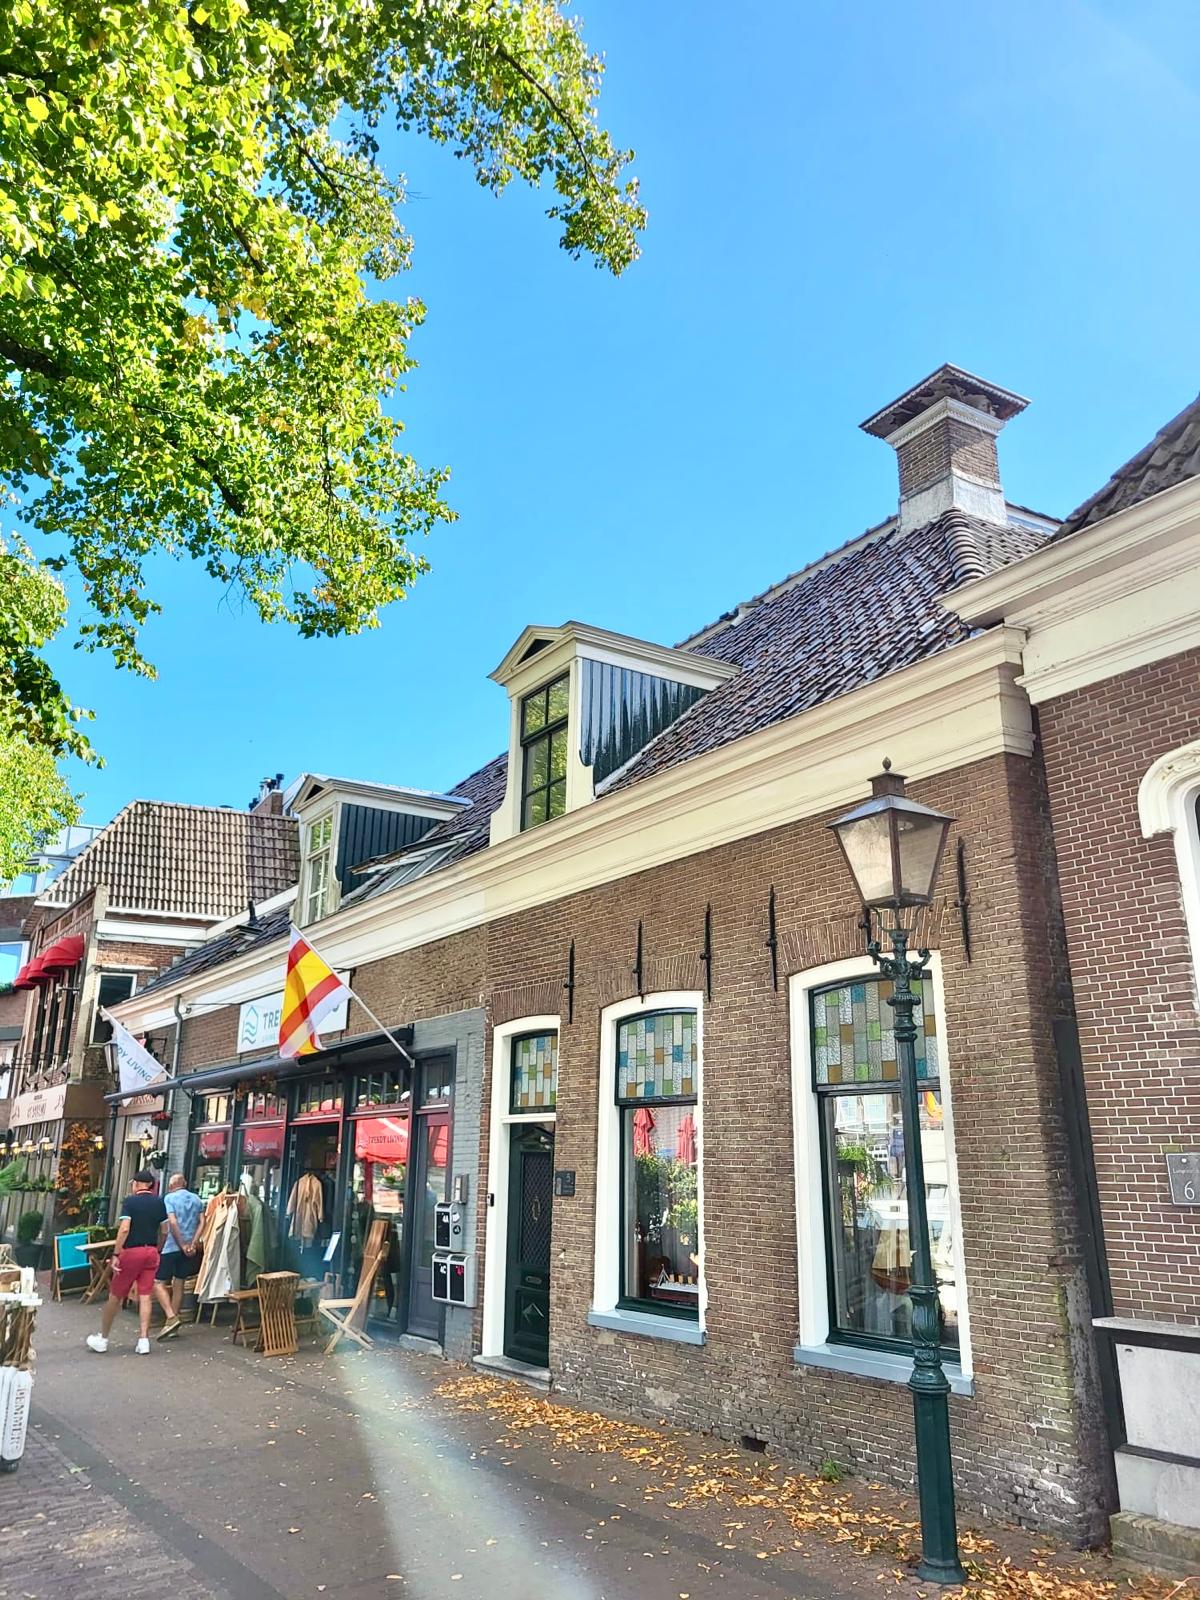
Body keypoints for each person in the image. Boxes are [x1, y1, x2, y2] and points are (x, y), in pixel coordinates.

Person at [86, 1170, 167, 1356]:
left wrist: (116, 1253)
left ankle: (103, 1339)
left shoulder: (130, 1202)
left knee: (115, 1294)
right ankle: (144, 1340)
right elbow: (164, 1230)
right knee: (145, 1294)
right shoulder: (159, 1202)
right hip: (151, 1251)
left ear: (137, 1184)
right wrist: (158, 1248)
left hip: (132, 1252)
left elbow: (124, 1229)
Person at [152, 1172, 203, 1340]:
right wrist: (192, 1243)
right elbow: (203, 1222)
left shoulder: (169, 1199)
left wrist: (181, 1244)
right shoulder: (196, 1199)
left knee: (158, 1282)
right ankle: (171, 1326)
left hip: (171, 1247)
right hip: (188, 1248)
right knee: (179, 1283)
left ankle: (171, 1317)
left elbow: (172, 1222)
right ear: (185, 1183)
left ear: (171, 1185)